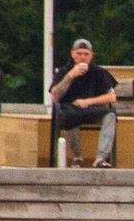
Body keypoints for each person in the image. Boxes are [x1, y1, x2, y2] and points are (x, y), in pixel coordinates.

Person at [48, 39, 119, 168]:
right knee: (67, 115)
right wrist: (71, 76)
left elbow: (112, 97)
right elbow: (55, 96)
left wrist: (87, 102)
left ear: (91, 56)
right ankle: (77, 157)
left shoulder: (99, 72)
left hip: (91, 108)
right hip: (69, 109)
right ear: (72, 54)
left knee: (111, 114)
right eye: (79, 53)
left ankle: (101, 158)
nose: (82, 57)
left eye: (86, 54)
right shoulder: (64, 72)